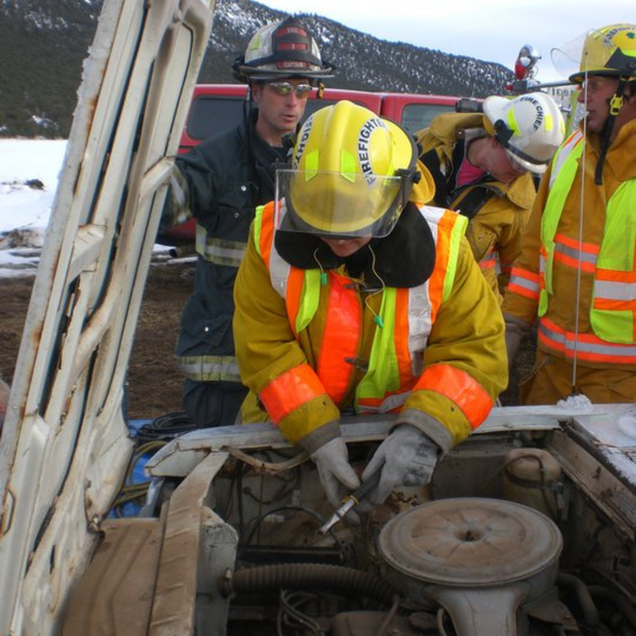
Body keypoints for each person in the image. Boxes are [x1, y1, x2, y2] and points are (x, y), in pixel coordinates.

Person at [232, 101, 507, 508]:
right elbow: (264, 347)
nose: (339, 238)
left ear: (399, 194)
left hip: (405, 431)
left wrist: (426, 428)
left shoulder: (446, 250)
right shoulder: (269, 239)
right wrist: (314, 431)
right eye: (321, 215)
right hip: (287, 427)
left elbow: (475, 352)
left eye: (357, 215)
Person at [160, 17, 335, 427]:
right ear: (255, 89)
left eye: (302, 89)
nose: (293, 102)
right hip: (225, 365)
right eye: (280, 88)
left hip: (293, 360)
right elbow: (152, 212)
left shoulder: (314, 164)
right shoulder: (213, 162)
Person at [502, 23, 636, 405]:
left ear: (628, 91)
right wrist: (512, 325)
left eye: (593, 86)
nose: (582, 96)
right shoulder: (569, 153)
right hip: (549, 373)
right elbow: (533, 254)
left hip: (622, 392)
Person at [416, 92, 565, 301]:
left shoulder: (520, 204)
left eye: (528, 168)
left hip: (464, 313)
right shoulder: (432, 143)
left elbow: (515, 276)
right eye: (516, 162)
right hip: (406, 292)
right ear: (496, 139)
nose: (520, 173)